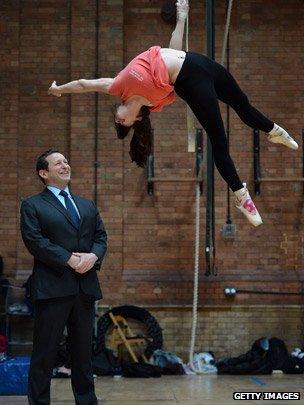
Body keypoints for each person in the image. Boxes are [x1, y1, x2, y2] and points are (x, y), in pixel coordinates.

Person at [48, 0, 298, 226]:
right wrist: (60, 91)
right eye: (122, 123)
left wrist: (181, 18)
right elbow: (84, 85)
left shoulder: (118, 86)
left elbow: (170, 52)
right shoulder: (156, 103)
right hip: (192, 83)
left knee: (243, 106)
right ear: (136, 119)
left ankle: (273, 130)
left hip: (199, 63)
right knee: (219, 140)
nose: (118, 118)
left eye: (117, 120)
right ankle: (241, 196)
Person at [20, 148, 107, 405]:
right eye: (58, 163)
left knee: (83, 356)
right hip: (52, 289)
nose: (65, 165)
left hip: (84, 288)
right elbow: (35, 241)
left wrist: (93, 257)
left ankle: (87, 401)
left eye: (66, 161)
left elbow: (100, 237)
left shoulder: (86, 205)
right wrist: (69, 259)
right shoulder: (33, 205)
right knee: (44, 355)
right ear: (43, 173)